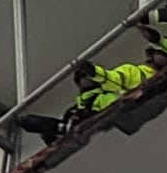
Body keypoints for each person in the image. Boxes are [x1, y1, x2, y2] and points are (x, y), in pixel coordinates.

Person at [19, 58, 156, 146]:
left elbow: (117, 115)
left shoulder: (107, 96)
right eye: (79, 77)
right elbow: (63, 141)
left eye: (86, 75)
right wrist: (49, 136)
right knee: (30, 122)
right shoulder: (72, 111)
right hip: (83, 145)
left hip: (103, 141)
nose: (83, 79)